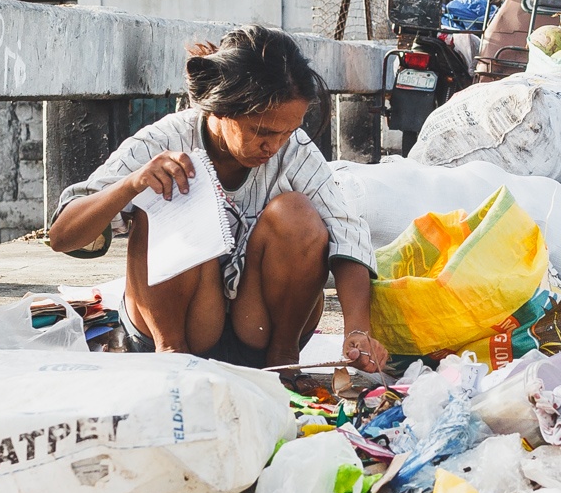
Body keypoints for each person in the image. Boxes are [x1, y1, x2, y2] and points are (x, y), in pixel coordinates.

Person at [47, 25, 388, 373]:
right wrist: (132, 185)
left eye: (287, 132)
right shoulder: (165, 139)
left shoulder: (294, 150)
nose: (274, 147)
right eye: (263, 132)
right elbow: (63, 236)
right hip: (180, 328)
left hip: (257, 332)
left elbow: (347, 234)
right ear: (222, 108)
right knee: (170, 189)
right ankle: (173, 360)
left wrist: (357, 331)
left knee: (297, 212)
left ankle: (284, 363)